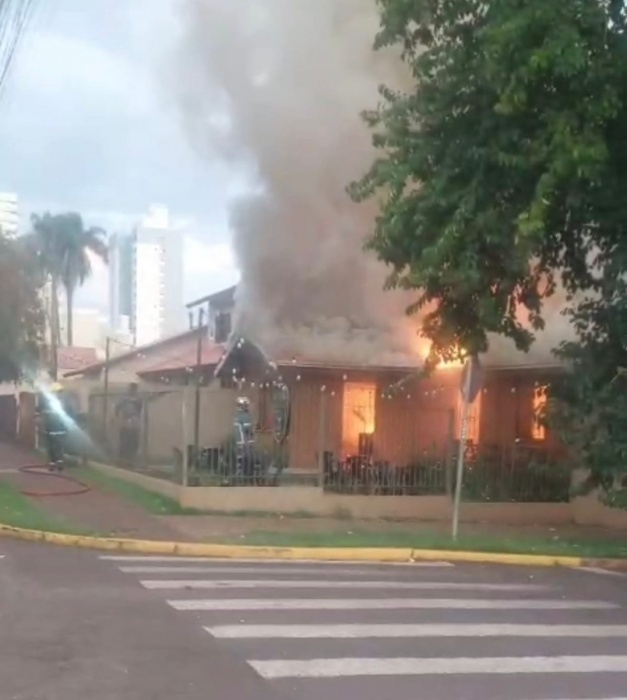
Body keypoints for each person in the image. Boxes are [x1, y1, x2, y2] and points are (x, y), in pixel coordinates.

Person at [38, 382, 68, 472]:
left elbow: (68, 415)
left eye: (59, 392)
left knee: (58, 448)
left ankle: (59, 464)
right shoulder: (48, 403)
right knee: (52, 448)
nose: (57, 394)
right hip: (50, 429)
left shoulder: (62, 403)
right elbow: (43, 414)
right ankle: (53, 464)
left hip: (58, 429)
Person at [115, 383, 142, 466]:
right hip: (126, 418)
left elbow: (139, 407)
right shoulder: (124, 397)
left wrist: (134, 402)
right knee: (124, 439)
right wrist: (116, 415)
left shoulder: (138, 398)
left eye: (134, 389)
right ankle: (122, 459)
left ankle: (130, 459)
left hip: (134, 419)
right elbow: (117, 407)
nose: (132, 390)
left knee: (133, 440)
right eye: (131, 388)